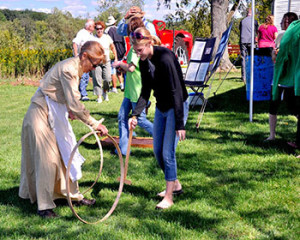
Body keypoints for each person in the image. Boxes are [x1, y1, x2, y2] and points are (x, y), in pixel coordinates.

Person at [19, 41, 109, 218]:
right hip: (40, 112)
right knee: (48, 159)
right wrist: (94, 123)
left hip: (56, 111)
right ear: (84, 56)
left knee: (67, 153)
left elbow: (65, 96)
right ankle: (44, 206)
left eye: (97, 64)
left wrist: (68, 109)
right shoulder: (69, 69)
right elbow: (75, 102)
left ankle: (73, 196)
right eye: (93, 63)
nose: (94, 67)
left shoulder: (76, 69)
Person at [128, 27, 189, 210]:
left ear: (149, 43)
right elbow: (146, 91)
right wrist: (135, 114)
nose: (138, 54)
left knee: (167, 152)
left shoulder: (165, 58)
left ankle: (169, 197)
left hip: (176, 106)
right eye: (136, 51)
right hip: (161, 106)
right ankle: (175, 184)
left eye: (140, 50)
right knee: (157, 150)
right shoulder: (145, 61)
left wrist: (179, 123)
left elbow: (176, 91)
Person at [112, 17, 153, 156]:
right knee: (122, 117)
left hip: (137, 91)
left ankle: (163, 136)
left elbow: (131, 68)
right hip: (130, 91)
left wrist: (119, 65)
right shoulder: (134, 47)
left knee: (140, 120)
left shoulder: (137, 48)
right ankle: (123, 150)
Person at [265, 12, 298, 141]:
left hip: (288, 78)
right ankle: (272, 135)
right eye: (284, 21)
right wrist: (274, 54)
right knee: (276, 106)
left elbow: (282, 58)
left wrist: (277, 55)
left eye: (287, 21)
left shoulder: (290, 36)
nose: (284, 23)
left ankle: (273, 135)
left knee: (290, 106)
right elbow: (275, 59)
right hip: (282, 78)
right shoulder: (281, 36)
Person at [271, 19, 300, 152]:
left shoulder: (294, 30)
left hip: (291, 78)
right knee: (292, 106)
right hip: (291, 78)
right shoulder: (292, 31)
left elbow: (282, 57)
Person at [92, 21, 118, 103]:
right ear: (95, 29)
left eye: (101, 28)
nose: (99, 30)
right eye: (97, 29)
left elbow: (113, 47)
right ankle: (99, 96)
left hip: (106, 61)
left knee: (107, 79)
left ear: (103, 29)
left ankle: (105, 92)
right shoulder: (92, 38)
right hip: (96, 62)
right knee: (97, 79)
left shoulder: (107, 37)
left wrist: (116, 58)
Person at [73, 19, 95, 101]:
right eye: (93, 26)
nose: (94, 27)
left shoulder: (90, 34)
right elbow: (75, 43)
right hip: (82, 57)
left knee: (86, 76)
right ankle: (83, 94)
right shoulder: (82, 33)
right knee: (83, 76)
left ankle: (82, 93)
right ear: (89, 26)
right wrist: (76, 55)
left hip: (88, 58)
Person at [105, 15, 126, 92]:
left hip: (113, 52)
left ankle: (114, 87)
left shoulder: (107, 30)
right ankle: (122, 85)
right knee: (120, 68)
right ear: (114, 23)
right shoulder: (119, 29)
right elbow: (124, 41)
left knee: (113, 69)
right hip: (121, 51)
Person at [239, 8, 258, 83]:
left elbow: (240, 30)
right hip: (251, 41)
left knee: (243, 58)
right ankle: (252, 75)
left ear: (247, 13)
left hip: (243, 40)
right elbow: (257, 31)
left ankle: (244, 77)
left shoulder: (242, 21)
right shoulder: (254, 21)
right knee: (252, 58)